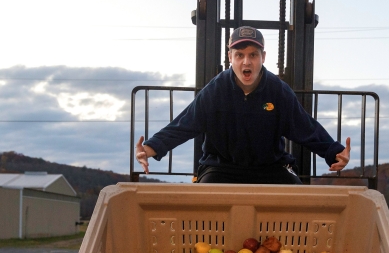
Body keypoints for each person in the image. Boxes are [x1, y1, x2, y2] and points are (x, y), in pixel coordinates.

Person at [135, 26, 351, 184]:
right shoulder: (215, 90)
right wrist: (150, 148)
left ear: (263, 57)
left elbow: (306, 127)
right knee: (203, 198)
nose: (246, 62)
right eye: (239, 55)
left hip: (270, 168)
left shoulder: (278, 91)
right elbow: (185, 124)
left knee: (298, 197)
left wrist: (334, 152)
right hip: (221, 169)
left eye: (253, 55)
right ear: (230, 57)